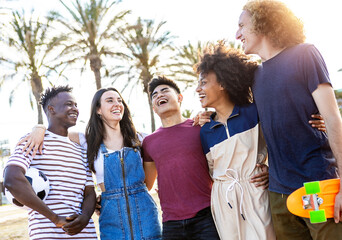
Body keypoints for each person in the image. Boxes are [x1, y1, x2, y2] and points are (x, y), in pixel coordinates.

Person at [235, 0, 342, 239]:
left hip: (315, 186)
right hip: (278, 195)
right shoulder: (254, 76)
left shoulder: (305, 54)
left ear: (263, 22)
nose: (237, 33)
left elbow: (333, 119)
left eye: (242, 25)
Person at [19, 87, 162, 240]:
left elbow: (148, 183)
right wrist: (38, 128)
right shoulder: (87, 141)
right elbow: (56, 132)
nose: (117, 104)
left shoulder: (141, 139)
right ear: (98, 110)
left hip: (146, 213)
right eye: (110, 100)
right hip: (112, 218)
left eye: (119, 101)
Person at [143, 75, 269, 240]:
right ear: (153, 107)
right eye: (154, 95)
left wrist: (265, 168)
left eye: (164, 90)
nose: (159, 95)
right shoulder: (149, 142)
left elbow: (233, 153)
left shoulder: (201, 128)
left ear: (180, 98)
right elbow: (147, 184)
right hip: (171, 222)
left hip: (207, 216)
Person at [194, 42, 276, 239]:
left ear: (222, 83)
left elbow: (278, 144)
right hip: (224, 201)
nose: (198, 89)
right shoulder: (205, 130)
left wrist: (271, 171)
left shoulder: (253, 112)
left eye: (203, 82)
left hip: (256, 193)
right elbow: (211, 170)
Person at [4, 86, 98, 239]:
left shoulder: (81, 150)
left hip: (86, 235)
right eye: (69, 104)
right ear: (51, 109)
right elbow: (12, 179)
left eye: (76, 105)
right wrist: (54, 218)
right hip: (46, 234)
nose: (75, 108)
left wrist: (85, 217)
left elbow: (89, 192)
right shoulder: (33, 141)